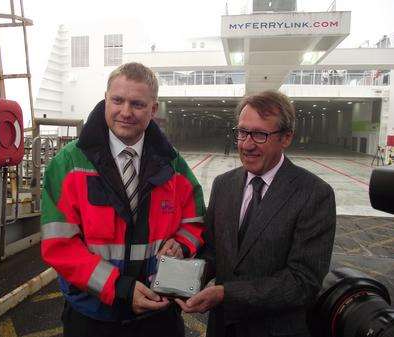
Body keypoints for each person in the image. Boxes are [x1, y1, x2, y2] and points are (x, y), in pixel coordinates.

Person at [41, 62, 205, 337]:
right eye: (117, 100)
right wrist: (118, 288)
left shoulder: (174, 165)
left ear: (153, 109)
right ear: (105, 99)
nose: (125, 112)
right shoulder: (67, 165)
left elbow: (195, 221)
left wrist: (182, 244)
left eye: (137, 104)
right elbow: (59, 246)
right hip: (92, 318)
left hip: (158, 315)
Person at [176, 90, 336, 337]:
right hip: (222, 327)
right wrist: (182, 279)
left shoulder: (314, 194)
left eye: (260, 134)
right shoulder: (223, 184)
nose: (246, 144)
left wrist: (225, 293)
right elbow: (212, 252)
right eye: (241, 132)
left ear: (286, 138)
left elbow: (303, 282)